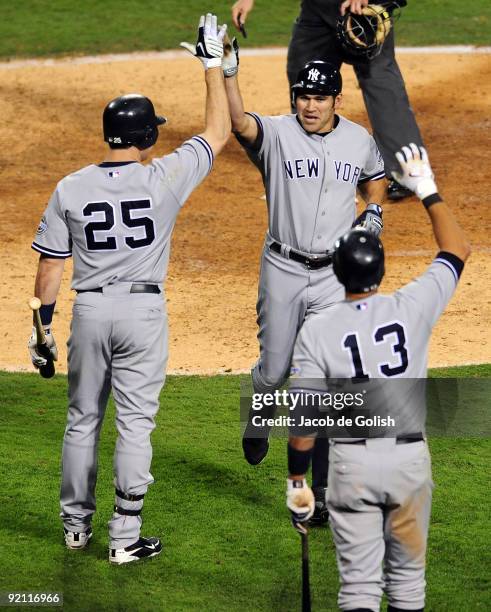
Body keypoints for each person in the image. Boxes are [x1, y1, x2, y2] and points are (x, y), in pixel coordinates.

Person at [28, 13, 230, 565]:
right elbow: (217, 132)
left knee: (81, 420)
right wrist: (213, 67)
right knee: (135, 424)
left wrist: (41, 331)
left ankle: (74, 528)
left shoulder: (70, 187)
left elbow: (49, 271)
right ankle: (124, 537)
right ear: (146, 136)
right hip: (141, 314)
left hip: (89, 312)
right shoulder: (163, 177)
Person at [285, 144, 470, 610]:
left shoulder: (318, 330)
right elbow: (457, 249)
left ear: (337, 271)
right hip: (409, 464)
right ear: (382, 270)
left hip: (353, 469)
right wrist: (426, 187)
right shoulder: (412, 306)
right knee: (408, 587)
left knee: (359, 590)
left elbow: (305, 426)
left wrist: (297, 482)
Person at [222, 42, 386, 524]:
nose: (309, 106)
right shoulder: (275, 133)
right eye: (302, 97)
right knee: (274, 373)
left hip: (333, 276)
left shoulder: (359, 140)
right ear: (294, 98)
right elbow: (238, 123)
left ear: (337, 100)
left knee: (317, 385)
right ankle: (257, 418)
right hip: (283, 268)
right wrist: (229, 74)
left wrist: (373, 210)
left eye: (319, 98)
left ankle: (316, 491)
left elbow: (374, 177)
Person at [231, 0, 422, 201]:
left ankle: (406, 170)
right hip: (318, 9)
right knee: (304, 75)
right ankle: (308, 168)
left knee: (380, 82)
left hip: (364, 10)